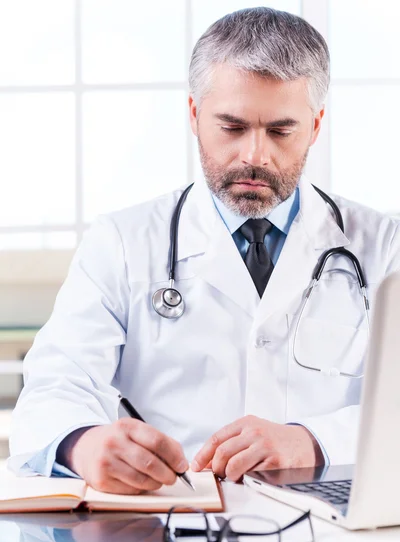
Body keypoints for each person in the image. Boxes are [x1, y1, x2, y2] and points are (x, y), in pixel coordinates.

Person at [9, 7, 400, 494]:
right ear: (195, 115)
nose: (255, 155)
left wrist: (313, 441)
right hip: (170, 515)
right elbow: (55, 385)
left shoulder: (383, 246)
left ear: (316, 126)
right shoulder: (123, 241)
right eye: (232, 127)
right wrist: (82, 443)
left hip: (339, 523)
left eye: (281, 131)